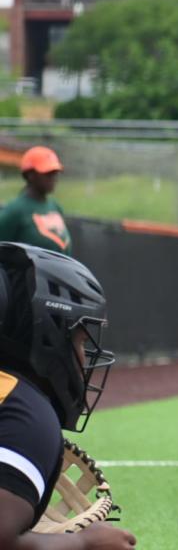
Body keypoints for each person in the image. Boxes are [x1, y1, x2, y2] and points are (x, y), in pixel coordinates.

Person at [0, 242, 136, 548]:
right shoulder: (25, 413)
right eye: (79, 340)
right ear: (48, 333)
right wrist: (84, 544)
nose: (84, 358)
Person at [0, 146, 71, 254]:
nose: (54, 177)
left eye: (55, 172)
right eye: (48, 173)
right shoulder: (14, 211)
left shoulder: (55, 207)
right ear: (30, 175)